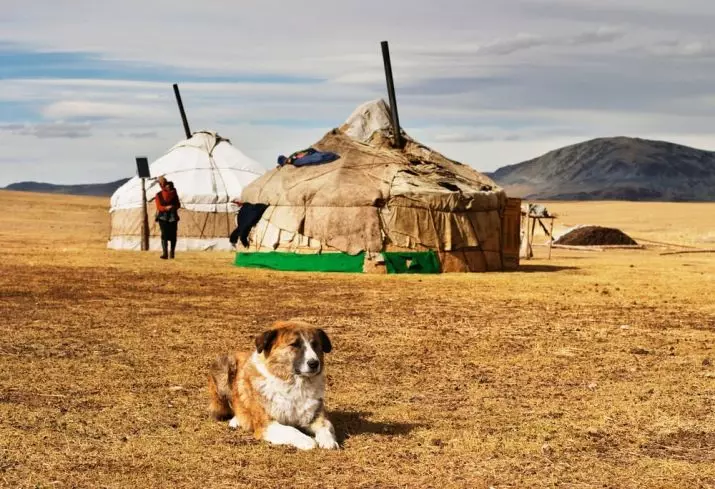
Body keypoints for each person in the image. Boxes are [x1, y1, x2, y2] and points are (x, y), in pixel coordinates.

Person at [155, 176, 181, 259]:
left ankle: (172, 253)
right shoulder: (158, 195)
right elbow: (158, 207)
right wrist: (165, 208)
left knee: (173, 235)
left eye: (162, 183)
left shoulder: (173, 192)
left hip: (172, 216)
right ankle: (165, 253)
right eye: (161, 183)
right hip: (163, 217)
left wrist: (173, 207)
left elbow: (178, 204)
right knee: (164, 235)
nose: (162, 185)